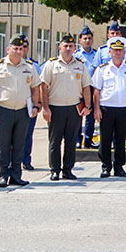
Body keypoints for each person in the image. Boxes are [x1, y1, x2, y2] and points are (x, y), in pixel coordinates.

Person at [0, 35, 42, 187]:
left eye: (21, 49)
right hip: (4, 110)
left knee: (19, 144)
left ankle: (16, 175)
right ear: (8, 49)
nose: (18, 52)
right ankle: (3, 174)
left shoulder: (29, 67)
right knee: (3, 144)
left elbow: (35, 88)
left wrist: (36, 106)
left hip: (23, 111)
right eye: (15, 49)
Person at [40, 34, 92, 181]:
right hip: (55, 108)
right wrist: (45, 108)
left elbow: (86, 86)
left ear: (75, 48)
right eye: (65, 46)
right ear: (60, 47)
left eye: (71, 46)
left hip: (74, 109)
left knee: (71, 141)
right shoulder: (51, 64)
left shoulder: (80, 65)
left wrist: (87, 106)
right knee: (55, 141)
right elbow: (43, 87)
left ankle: (68, 170)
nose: (68, 49)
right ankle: (55, 170)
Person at [92, 36, 126, 178]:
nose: (118, 53)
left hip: (124, 108)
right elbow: (96, 90)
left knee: (121, 139)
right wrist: (97, 109)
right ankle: (106, 166)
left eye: (120, 50)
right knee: (105, 139)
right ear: (110, 52)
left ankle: (119, 167)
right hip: (106, 108)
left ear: (124, 52)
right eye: (115, 50)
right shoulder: (102, 69)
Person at [74, 26, 101, 148]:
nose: (87, 41)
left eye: (89, 38)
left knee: (90, 114)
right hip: (79, 87)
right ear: (80, 40)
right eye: (85, 38)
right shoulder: (76, 55)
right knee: (78, 115)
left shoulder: (97, 54)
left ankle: (88, 140)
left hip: (92, 87)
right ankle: (78, 139)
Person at [19, 34, 43, 171]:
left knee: (28, 134)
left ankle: (26, 160)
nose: (22, 50)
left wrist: (37, 103)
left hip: (29, 104)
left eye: (25, 47)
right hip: (13, 104)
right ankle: (12, 161)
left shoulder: (33, 65)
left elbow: (38, 85)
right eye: (20, 47)